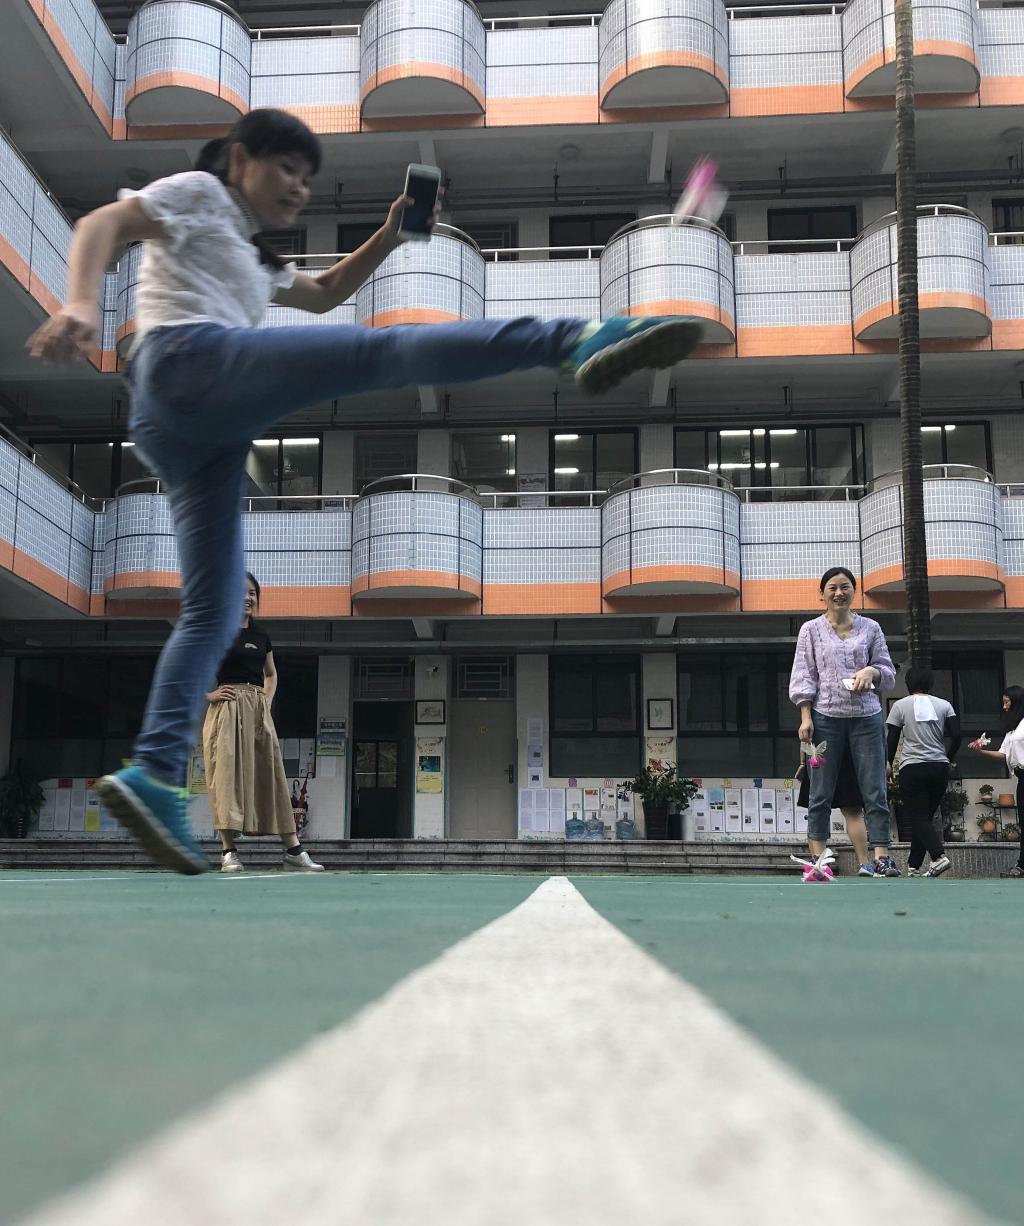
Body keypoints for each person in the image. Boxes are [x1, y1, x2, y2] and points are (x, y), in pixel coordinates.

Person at [26, 108, 703, 874]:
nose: (299, 187)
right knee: (389, 352)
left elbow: (323, 292)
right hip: (187, 360)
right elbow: (103, 224)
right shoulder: (199, 194)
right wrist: (80, 302)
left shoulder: (251, 255)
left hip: (186, 430)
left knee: (213, 612)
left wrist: (390, 233)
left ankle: (151, 775)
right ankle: (573, 339)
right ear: (240, 160)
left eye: (307, 177)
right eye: (287, 169)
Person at [204, 573, 323, 873]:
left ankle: (294, 851)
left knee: (272, 775)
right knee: (226, 778)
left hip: (258, 711)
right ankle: (228, 852)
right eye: (241, 592)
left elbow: (271, 674)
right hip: (227, 710)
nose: (248, 597)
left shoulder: (261, 637)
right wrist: (210, 694)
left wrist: (266, 701)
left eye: (253, 593)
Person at [789, 566, 898, 877]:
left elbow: (887, 672)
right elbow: (803, 675)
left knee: (875, 789)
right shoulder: (810, 630)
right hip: (825, 719)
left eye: (845, 587)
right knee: (819, 791)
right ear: (822, 594)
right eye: (832, 588)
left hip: (867, 718)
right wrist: (806, 717)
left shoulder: (872, 628)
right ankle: (818, 859)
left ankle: (882, 857)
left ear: (854, 591)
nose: (839, 593)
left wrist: (871, 672)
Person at [885, 667, 960, 879]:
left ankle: (938, 856)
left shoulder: (900, 705)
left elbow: (892, 739)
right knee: (924, 817)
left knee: (918, 817)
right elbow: (957, 736)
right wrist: (948, 757)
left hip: (912, 767)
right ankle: (914, 865)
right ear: (930, 683)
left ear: (908, 683)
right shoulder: (944, 705)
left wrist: (887, 763)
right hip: (939, 767)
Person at [968, 684, 1024, 879]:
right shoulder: (1012, 730)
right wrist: (981, 751)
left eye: (1007, 702)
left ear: (1016, 702)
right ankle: (1022, 865)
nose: (1004, 706)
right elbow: (1003, 754)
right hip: (1021, 777)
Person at [794, 745, 874, 873]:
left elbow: (805, 736)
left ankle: (818, 863)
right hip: (847, 755)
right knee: (853, 812)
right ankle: (864, 864)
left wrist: (803, 762)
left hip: (819, 756)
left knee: (816, 810)